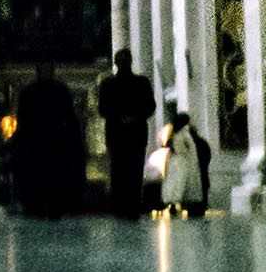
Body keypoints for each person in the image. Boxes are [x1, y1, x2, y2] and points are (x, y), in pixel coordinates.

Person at [11, 63, 85, 219]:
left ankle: (53, 206)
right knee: (37, 175)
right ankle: (37, 206)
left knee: (54, 176)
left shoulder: (59, 90)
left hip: (55, 141)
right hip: (36, 141)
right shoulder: (30, 92)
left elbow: (69, 116)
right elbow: (23, 118)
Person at [97, 48, 156, 220]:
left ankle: (131, 208)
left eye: (125, 60)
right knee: (119, 171)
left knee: (133, 172)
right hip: (120, 135)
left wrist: (133, 117)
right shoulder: (108, 84)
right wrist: (124, 118)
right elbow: (103, 109)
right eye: (120, 61)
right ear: (116, 63)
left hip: (132, 135)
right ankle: (122, 208)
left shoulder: (140, 83)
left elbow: (150, 106)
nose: (123, 64)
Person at [161, 112, 201, 218]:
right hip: (183, 160)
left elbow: (166, 146)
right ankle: (177, 202)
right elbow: (190, 147)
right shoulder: (184, 133)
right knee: (181, 181)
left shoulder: (172, 133)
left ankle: (171, 202)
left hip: (173, 160)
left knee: (173, 181)